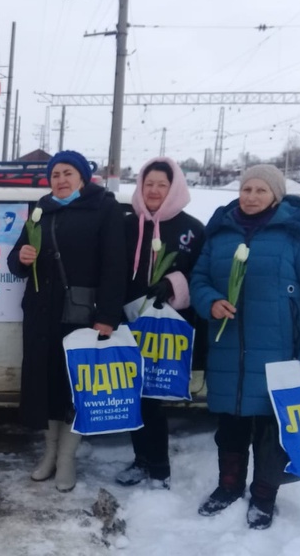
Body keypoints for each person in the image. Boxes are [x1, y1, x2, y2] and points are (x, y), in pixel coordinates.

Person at [190, 164, 300, 530]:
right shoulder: (221, 232)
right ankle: (228, 487)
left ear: (276, 194)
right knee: (231, 425)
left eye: (260, 191)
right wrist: (209, 301)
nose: (251, 197)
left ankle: (263, 496)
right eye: (246, 190)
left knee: (271, 431)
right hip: (229, 349)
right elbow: (199, 278)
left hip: (280, 350)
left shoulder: (297, 233)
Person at [7, 150, 127, 492]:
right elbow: (15, 262)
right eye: (55, 174)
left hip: (82, 316)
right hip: (41, 313)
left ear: (82, 177)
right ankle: (49, 454)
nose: (60, 179)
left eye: (67, 173)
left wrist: (107, 316)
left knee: (76, 386)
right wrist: (21, 257)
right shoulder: (40, 208)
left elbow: (114, 265)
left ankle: (67, 459)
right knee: (44, 383)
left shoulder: (104, 207)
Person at [115, 157, 206, 490]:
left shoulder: (191, 228)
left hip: (168, 327)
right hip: (128, 323)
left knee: (153, 397)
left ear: (174, 187)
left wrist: (173, 285)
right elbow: (111, 271)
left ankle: (160, 469)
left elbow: (203, 274)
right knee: (134, 395)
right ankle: (141, 460)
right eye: (148, 184)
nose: (153, 190)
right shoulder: (126, 224)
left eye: (161, 185)